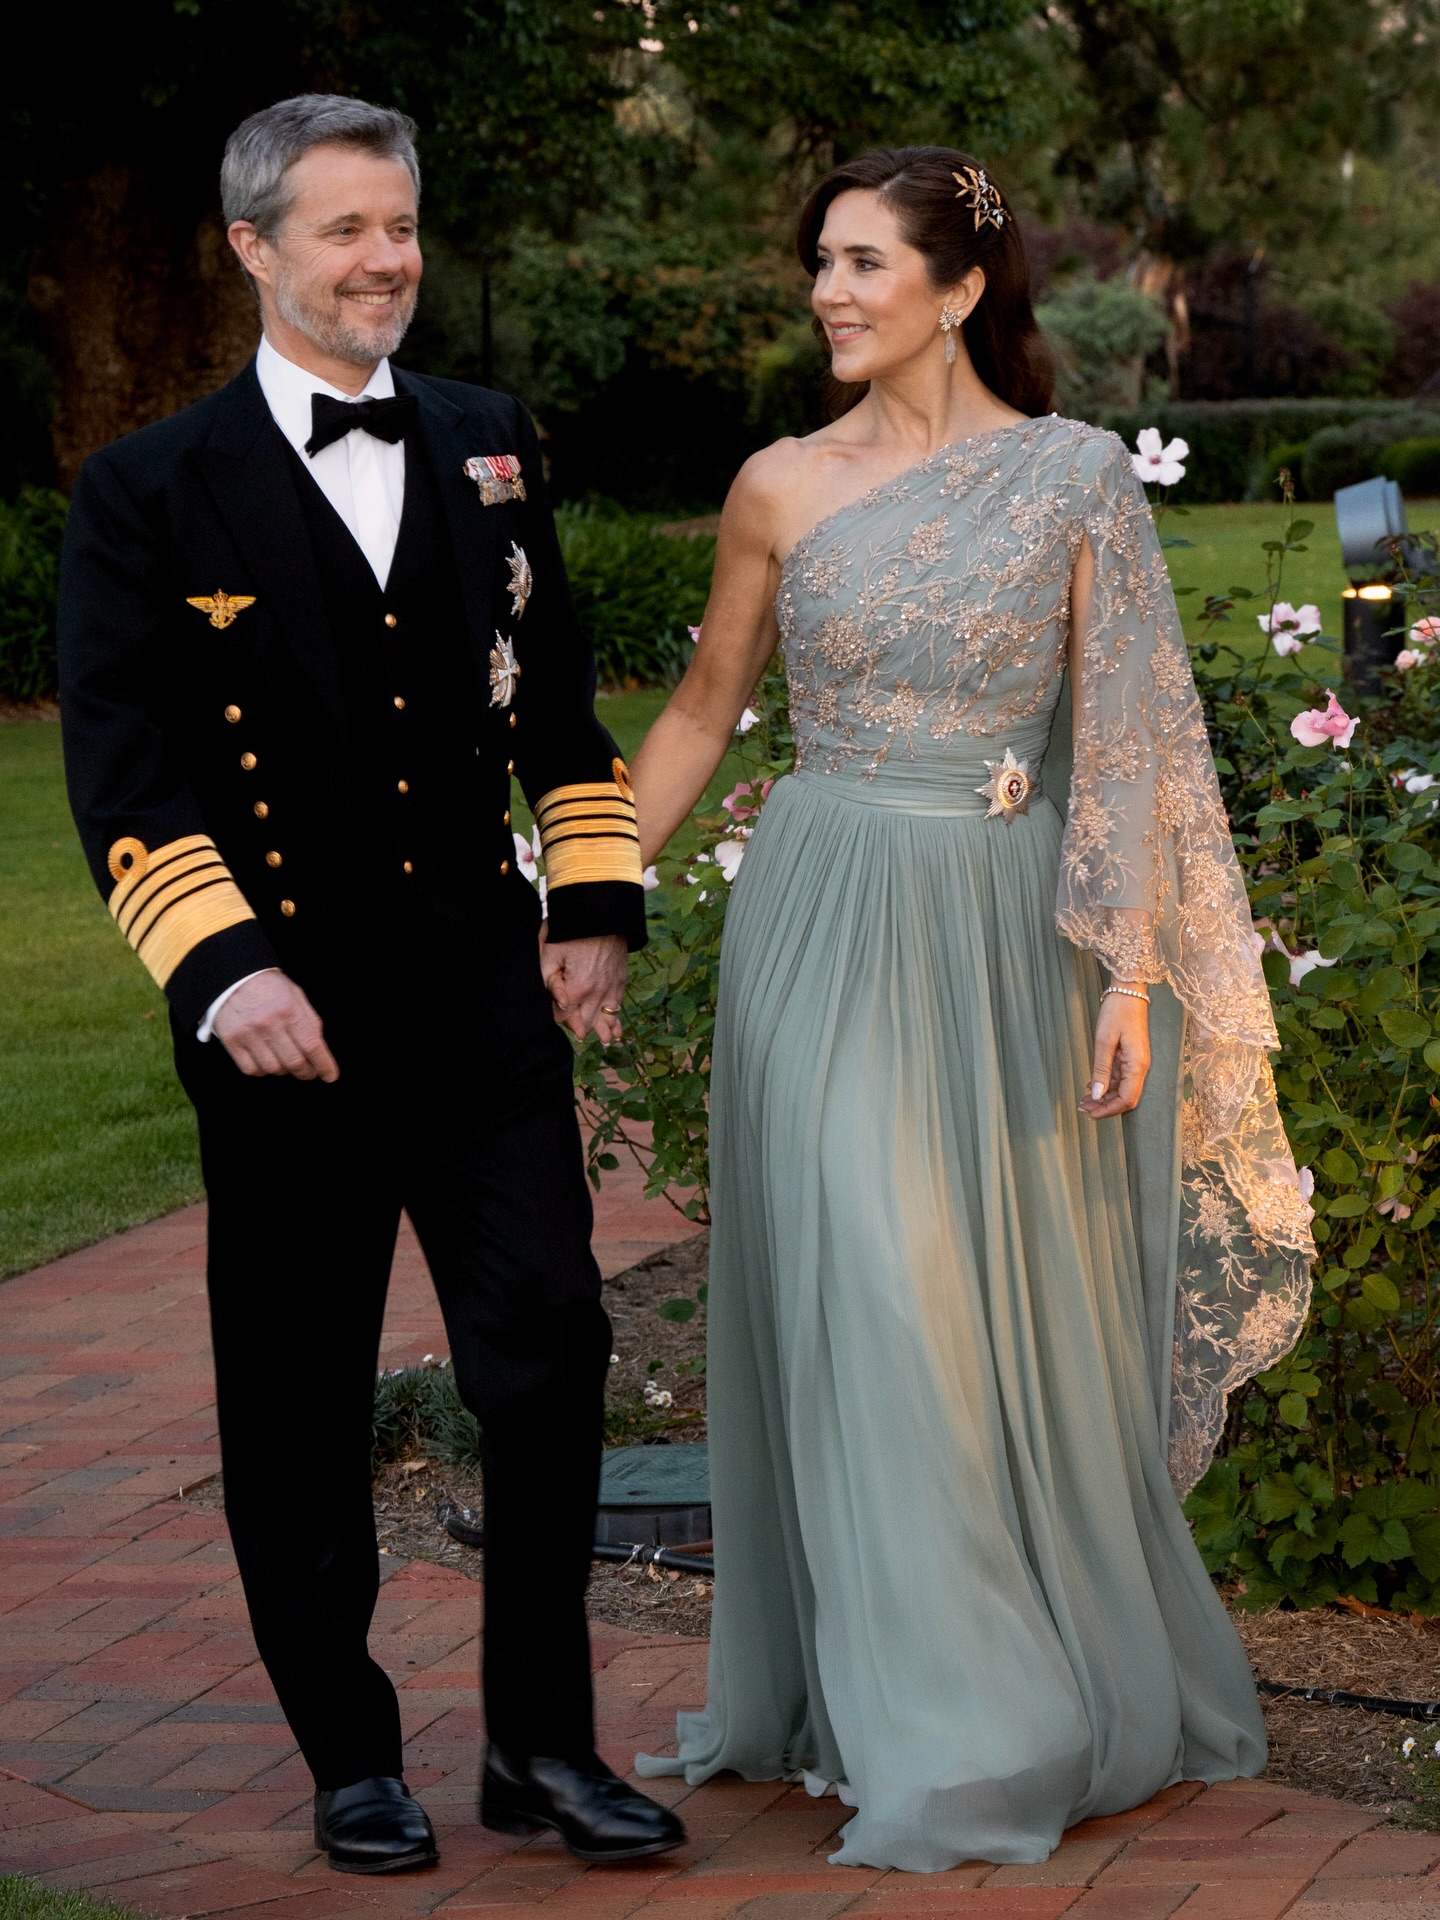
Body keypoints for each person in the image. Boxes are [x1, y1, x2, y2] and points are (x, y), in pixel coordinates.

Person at [629, 147, 1315, 1872]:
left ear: (956, 289)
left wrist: (1134, 974)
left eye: (862, 264)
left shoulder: (1078, 479)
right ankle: (945, 1723)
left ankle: (999, 1681)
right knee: (873, 1277)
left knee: (987, 1306)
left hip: (1013, 932)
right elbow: (708, 708)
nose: (828, 294)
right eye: (821, 266)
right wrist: (584, 887)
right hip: (823, 912)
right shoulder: (777, 484)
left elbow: (1137, 739)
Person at [57, 94, 685, 1875]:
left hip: (478, 990)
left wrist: (595, 897)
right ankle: (350, 1749)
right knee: (300, 1392)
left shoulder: (491, 441)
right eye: (344, 229)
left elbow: (552, 699)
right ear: (254, 249)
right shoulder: (148, 490)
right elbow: (124, 773)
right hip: (285, 1026)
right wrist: (222, 967)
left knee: (550, 1352)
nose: (385, 259)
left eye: (400, 225)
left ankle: (542, 1751)